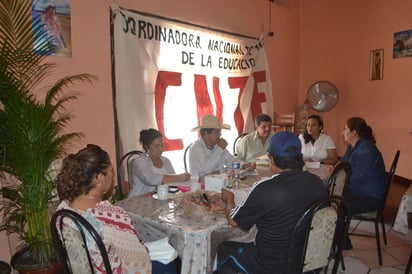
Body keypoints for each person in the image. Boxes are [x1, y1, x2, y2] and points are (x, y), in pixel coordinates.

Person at [55, 144, 177, 273]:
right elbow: (139, 263)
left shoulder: (63, 211)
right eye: (111, 172)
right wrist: (142, 248)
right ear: (99, 179)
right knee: (168, 262)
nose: (113, 177)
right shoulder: (112, 217)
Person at [217, 131, 328, 273]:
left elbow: (233, 221)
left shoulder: (266, 188)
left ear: (272, 160)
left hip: (271, 265)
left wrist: (229, 199)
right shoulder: (317, 182)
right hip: (307, 259)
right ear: (300, 157)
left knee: (224, 248)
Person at [340, 117, 386, 250]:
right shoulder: (353, 145)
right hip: (358, 191)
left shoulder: (367, 151)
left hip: (369, 197)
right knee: (332, 199)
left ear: (354, 132)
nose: (343, 132)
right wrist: (336, 168)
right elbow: (344, 163)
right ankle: (340, 239)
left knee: (335, 204)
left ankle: (342, 242)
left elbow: (356, 179)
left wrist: (337, 185)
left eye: (345, 129)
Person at [128, 128, 190, 198]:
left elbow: (173, 183)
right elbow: (150, 179)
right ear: (146, 147)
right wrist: (179, 177)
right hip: (138, 200)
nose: (161, 149)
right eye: (157, 146)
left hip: (158, 199)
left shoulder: (166, 161)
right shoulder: (140, 162)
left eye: (162, 145)